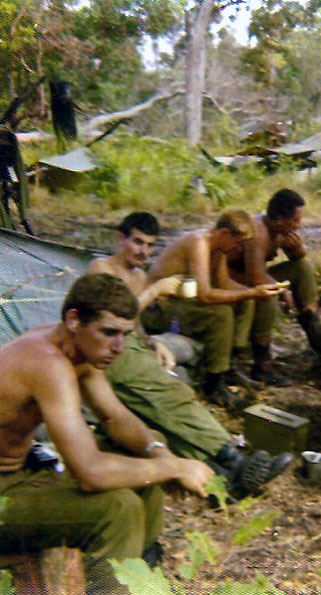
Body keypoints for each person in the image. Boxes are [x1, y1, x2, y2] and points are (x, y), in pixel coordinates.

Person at [0, 273, 213, 594]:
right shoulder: (47, 362)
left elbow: (117, 419)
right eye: (109, 332)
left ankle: (140, 566)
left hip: (22, 474)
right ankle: (114, 585)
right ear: (74, 320)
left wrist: (161, 455)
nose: (118, 347)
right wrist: (175, 467)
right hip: (4, 494)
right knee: (116, 509)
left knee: (146, 446)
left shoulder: (76, 350)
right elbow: (90, 473)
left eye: (125, 334)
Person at [88, 212, 294, 495]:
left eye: (149, 245)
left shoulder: (137, 276)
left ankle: (223, 479)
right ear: (120, 238)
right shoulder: (101, 269)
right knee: (171, 399)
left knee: (162, 416)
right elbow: (107, 324)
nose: (143, 251)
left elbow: (133, 325)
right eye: (137, 242)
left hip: (130, 346)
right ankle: (233, 458)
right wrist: (156, 290)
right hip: (108, 353)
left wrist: (152, 343)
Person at [142, 209, 287, 405]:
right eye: (238, 242)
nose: (239, 248)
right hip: (159, 307)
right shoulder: (199, 242)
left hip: (182, 300)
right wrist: (251, 292)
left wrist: (257, 291)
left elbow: (224, 283)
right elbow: (205, 295)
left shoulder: (219, 248)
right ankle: (214, 381)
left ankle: (230, 366)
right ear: (225, 233)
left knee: (247, 301)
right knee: (221, 312)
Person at [227, 189, 321, 384]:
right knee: (268, 292)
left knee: (302, 267)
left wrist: (298, 250)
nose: (299, 225)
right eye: (295, 220)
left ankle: (313, 329)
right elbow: (256, 277)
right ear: (279, 219)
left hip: (252, 278)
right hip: (231, 282)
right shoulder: (258, 232)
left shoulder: (281, 231)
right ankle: (262, 363)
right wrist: (282, 289)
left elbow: (296, 260)